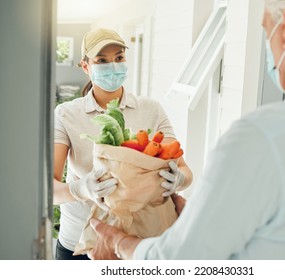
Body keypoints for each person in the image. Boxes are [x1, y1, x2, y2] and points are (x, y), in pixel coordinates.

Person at [88, 0, 285, 260]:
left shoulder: (263, 136)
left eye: (265, 31)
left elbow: (178, 261)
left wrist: (119, 242)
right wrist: (203, 219)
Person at [53, 27, 193, 260]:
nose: (113, 66)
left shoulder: (151, 109)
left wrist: (178, 179)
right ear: (86, 66)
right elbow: (49, 190)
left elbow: (186, 172)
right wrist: (81, 189)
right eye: (102, 60)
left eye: (119, 58)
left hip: (141, 243)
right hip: (80, 245)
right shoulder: (67, 114)